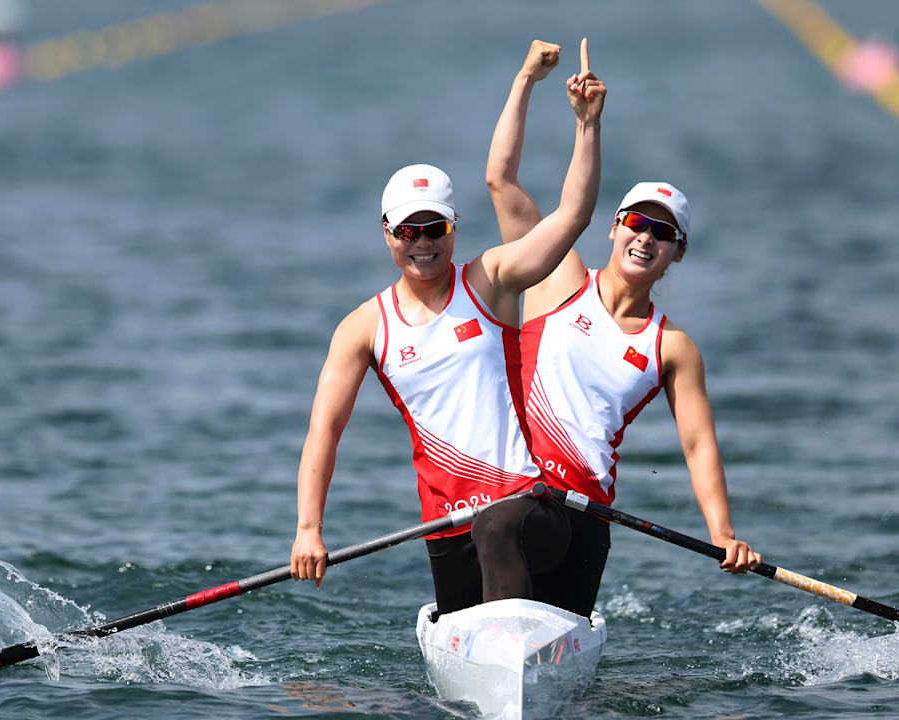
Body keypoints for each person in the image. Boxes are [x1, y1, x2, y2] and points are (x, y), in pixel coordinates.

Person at [288, 47, 606, 619]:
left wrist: (586, 126)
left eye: (434, 227)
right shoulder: (362, 327)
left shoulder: (492, 280)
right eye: (409, 230)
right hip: (445, 526)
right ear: (387, 234)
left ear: (453, 228)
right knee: (470, 588)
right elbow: (324, 431)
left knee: (496, 526)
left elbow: (572, 215)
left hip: (531, 510)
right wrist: (308, 528)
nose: (422, 242)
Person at [470, 40, 760, 618]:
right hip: (514, 498)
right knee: (497, 523)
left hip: (586, 517)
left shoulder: (672, 346)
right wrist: (530, 81)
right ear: (612, 229)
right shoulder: (557, 279)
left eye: (664, 232)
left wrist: (724, 532)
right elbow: (500, 180)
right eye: (636, 221)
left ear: (678, 254)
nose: (646, 236)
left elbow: (699, 445)